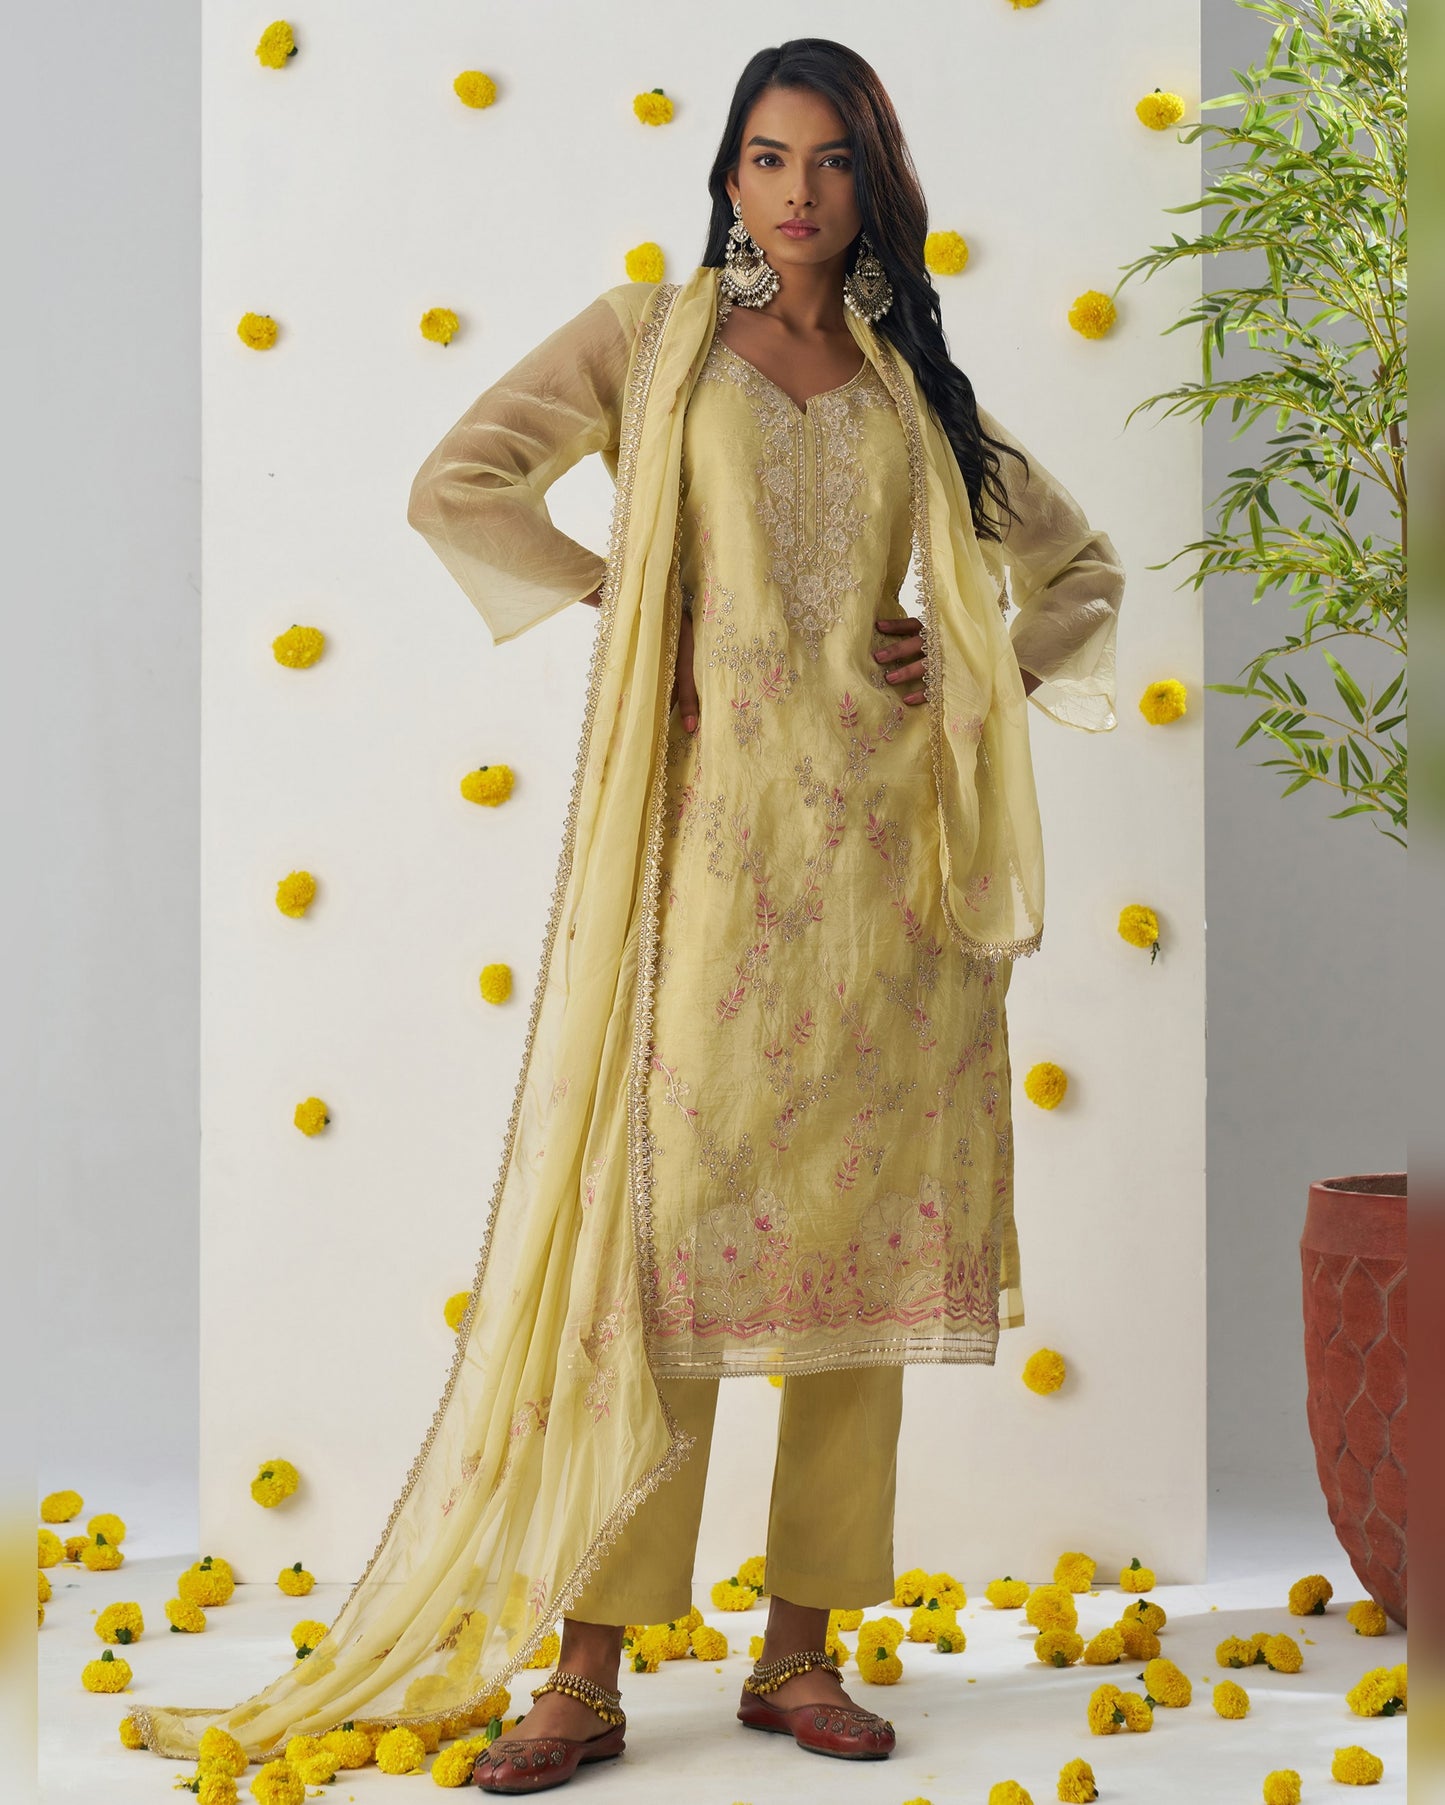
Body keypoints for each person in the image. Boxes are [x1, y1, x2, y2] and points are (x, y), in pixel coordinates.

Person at [126, 38, 1122, 1793]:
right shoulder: (649, 339)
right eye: (761, 156)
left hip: (886, 883)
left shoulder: (908, 381)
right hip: (706, 868)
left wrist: (972, 652)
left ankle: (798, 1652)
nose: (790, 191)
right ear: (727, 176)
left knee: (852, 1270)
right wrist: (622, 594)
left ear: (867, 180)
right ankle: (584, 1670)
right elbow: (461, 477)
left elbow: (1079, 570)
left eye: (822, 161)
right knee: (659, 1267)